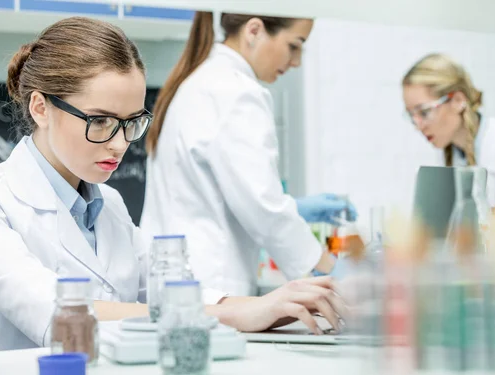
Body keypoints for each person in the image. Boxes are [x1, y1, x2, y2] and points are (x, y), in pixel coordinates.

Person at [0, 17, 346, 353]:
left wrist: (272, 303)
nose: (120, 144)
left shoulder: (109, 203)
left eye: (131, 122)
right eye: (99, 121)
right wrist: (234, 314)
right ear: (41, 107)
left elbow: (173, 288)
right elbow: (58, 315)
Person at [140, 12, 356, 297]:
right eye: (294, 45)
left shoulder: (198, 81)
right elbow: (263, 206)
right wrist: (324, 266)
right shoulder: (236, 91)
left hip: (175, 281)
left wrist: (292, 208)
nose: (296, 62)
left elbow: (222, 193)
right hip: (211, 287)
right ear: (253, 31)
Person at [403, 53, 495, 206]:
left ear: (458, 100)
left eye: (424, 112)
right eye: (412, 115)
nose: (418, 125)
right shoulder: (448, 154)